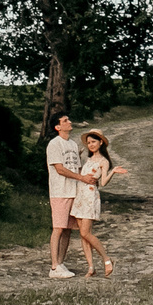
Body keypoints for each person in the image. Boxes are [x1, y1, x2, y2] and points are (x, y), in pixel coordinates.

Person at [71, 128, 128, 277]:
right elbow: (79, 174)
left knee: (86, 232)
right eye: (89, 142)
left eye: (93, 142)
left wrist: (113, 172)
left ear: (101, 142)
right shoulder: (88, 159)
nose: (91, 145)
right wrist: (77, 157)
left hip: (90, 196)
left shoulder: (103, 161)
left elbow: (102, 183)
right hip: (80, 196)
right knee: (82, 235)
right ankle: (91, 267)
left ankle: (106, 259)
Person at [45, 113, 95, 278]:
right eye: (65, 121)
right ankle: (53, 267)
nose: (70, 122)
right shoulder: (54, 144)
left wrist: (85, 182)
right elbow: (60, 169)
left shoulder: (73, 144)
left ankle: (60, 263)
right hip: (60, 191)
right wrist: (81, 178)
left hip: (74, 192)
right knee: (58, 228)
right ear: (57, 127)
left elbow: (77, 169)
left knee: (67, 230)